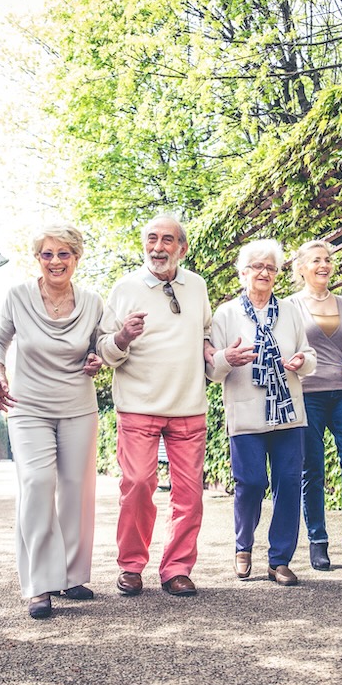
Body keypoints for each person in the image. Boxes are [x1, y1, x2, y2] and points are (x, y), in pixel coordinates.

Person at [0, 223, 104, 621]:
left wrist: (98, 357)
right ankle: (39, 584)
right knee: (37, 484)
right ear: (37, 258)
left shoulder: (91, 301)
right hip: (27, 405)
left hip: (77, 405)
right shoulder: (18, 296)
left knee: (76, 490)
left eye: (64, 254)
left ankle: (71, 576)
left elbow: (101, 344)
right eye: (47, 254)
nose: (55, 261)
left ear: (76, 257)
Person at [96, 215, 213, 597]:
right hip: (138, 404)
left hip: (189, 405)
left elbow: (206, 332)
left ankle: (177, 568)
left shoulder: (196, 286)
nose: (158, 247)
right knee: (139, 485)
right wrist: (123, 337)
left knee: (190, 493)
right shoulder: (125, 287)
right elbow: (103, 350)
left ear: (183, 248)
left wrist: (215, 352)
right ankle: (131, 565)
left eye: (167, 240)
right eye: (151, 239)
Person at [207, 239, 316, 586]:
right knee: (251, 483)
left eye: (270, 267)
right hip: (247, 412)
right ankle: (243, 545)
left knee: (288, 483)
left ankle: (279, 560)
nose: (264, 272)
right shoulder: (225, 314)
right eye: (256, 266)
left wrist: (302, 362)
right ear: (242, 273)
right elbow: (212, 369)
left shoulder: (290, 311)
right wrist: (228, 358)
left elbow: (307, 353)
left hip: (288, 412)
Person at [288, 240, 342, 571]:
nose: (323, 265)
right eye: (315, 260)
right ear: (301, 268)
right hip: (307, 393)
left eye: (327, 260)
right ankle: (318, 541)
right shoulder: (289, 306)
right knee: (312, 467)